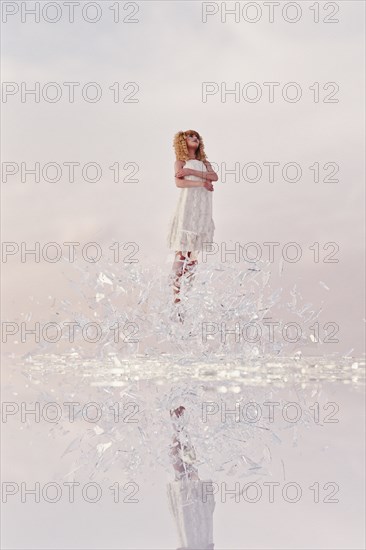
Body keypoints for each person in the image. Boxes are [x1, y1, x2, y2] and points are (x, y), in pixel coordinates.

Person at [167, 130, 218, 315]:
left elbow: (214, 177)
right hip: (188, 205)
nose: (195, 139)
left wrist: (190, 171)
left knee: (193, 253)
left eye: (197, 137)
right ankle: (176, 296)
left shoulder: (204, 163)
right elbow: (179, 184)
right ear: (183, 141)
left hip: (202, 207)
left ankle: (187, 294)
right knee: (182, 251)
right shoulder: (179, 162)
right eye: (190, 137)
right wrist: (200, 182)